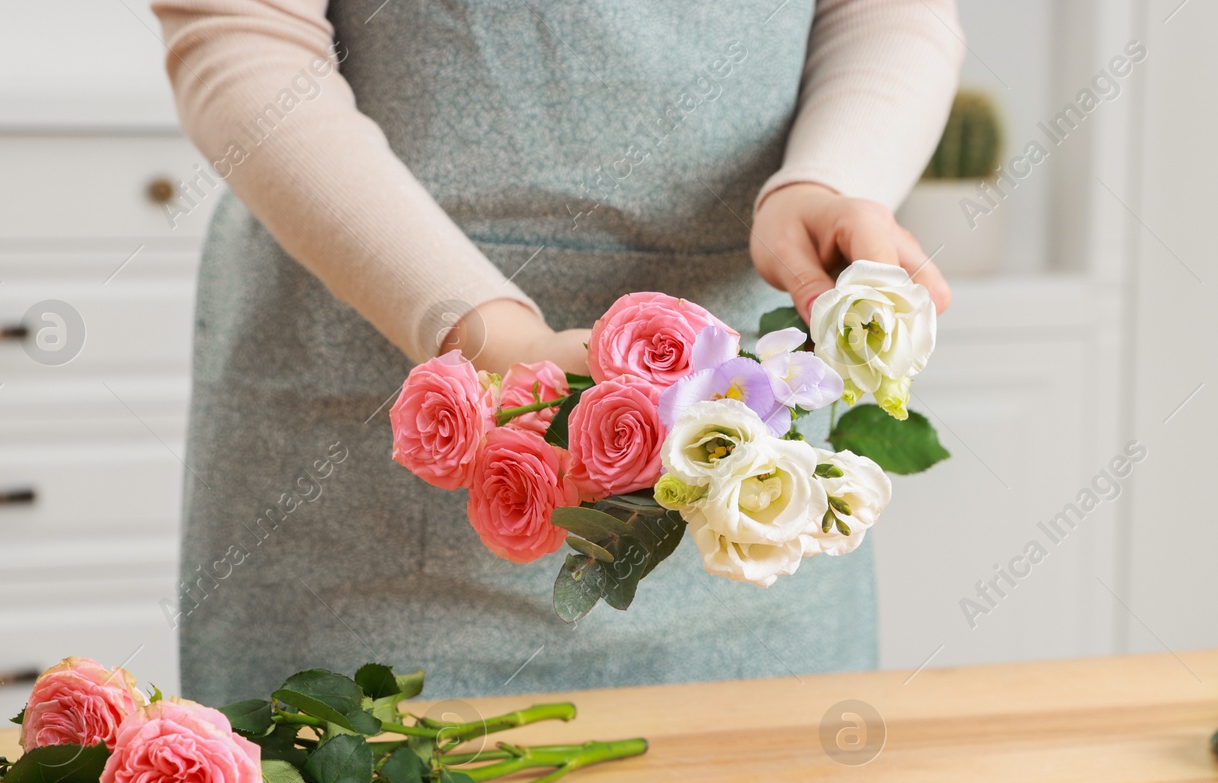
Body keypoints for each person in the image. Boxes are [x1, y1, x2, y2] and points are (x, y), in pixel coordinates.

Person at [153, 0, 964, 704]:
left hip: (752, 453)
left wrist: (827, 180)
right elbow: (242, 32)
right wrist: (492, 339)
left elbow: (891, 12)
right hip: (361, 466)